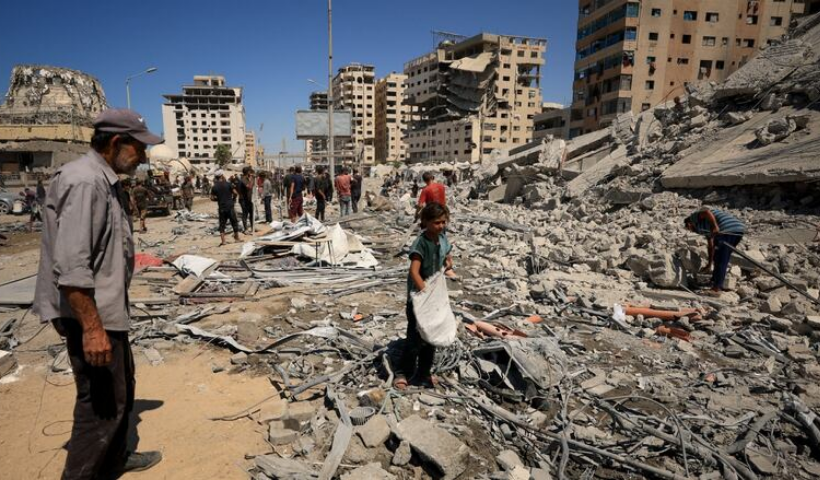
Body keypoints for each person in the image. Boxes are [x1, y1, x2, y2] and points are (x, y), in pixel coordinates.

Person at [33, 108, 163, 479]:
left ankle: (115, 458)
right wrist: (92, 329)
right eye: (140, 148)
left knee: (122, 389)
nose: (143, 157)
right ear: (117, 142)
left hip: (106, 310)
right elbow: (73, 267)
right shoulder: (85, 182)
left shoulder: (102, 179)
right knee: (100, 406)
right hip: (90, 314)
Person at [394, 202, 455, 390]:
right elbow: (414, 271)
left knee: (431, 337)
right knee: (414, 338)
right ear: (426, 222)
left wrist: (449, 263)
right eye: (437, 222)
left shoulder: (442, 238)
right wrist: (425, 294)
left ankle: (424, 372)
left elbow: (447, 254)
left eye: (443, 222)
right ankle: (402, 372)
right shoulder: (421, 243)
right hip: (419, 297)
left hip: (434, 296)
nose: (441, 226)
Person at [684, 208, 746, 294]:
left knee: (721, 259)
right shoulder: (704, 229)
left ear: (689, 224)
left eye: (689, 228)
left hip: (728, 229)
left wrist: (715, 226)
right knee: (718, 256)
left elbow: (706, 212)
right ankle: (714, 281)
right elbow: (711, 246)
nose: (691, 231)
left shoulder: (693, 218)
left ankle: (716, 288)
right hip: (738, 229)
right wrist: (709, 264)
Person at [210, 170, 241, 245]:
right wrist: (233, 199)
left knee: (222, 224)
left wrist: (219, 199)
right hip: (230, 206)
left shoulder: (214, 187)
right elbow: (235, 193)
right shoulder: (228, 184)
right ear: (222, 176)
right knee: (234, 222)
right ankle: (237, 238)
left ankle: (223, 241)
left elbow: (212, 198)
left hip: (222, 207)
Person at [238, 166, 255, 233]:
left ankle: (252, 227)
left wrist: (251, 179)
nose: (251, 173)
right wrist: (252, 179)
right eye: (250, 171)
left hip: (249, 199)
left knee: (251, 213)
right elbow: (249, 187)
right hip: (243, 200)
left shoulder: (248, 179)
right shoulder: (243, 179)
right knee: (245, 214)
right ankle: (245, 229)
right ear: (248, 172)